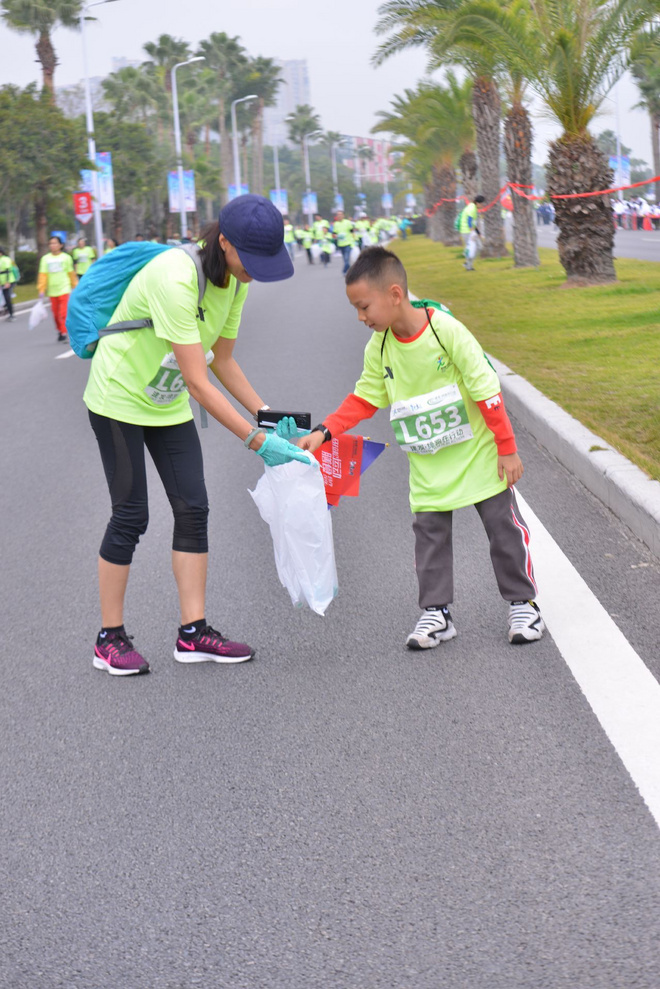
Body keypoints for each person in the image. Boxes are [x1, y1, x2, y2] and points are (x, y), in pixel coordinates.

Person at [83, 194, 311, 676]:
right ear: (224, 241)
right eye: (252, 260)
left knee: (193, 507)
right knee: (131, 515)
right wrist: (256, 441)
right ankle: (109, 638)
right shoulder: (176, 277)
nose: (255, 273)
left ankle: (193, 633)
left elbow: (222, 361)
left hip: (164, 403)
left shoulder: (235, 283)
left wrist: (268, 417)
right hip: (118, 398)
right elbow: (198, 381)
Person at [294, 246, 544, 649]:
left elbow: (486, 390)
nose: (360, 317)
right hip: (428, 465)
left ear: (395, 294)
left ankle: (523, 604)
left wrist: (507, 448)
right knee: (429, 539)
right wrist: (324, 432)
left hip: (479, 457)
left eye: (364, 307)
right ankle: (437, 614)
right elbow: (364, 398)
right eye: (356, 309)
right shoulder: (379, 348)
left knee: (503, 530)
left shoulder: (446, 331)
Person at [37, 236, 78, 342]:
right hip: (52, 290)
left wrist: (75, 286)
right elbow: (43, 275)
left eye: (55, 243)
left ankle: (64, 332)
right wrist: (41, 289)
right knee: (55, 314)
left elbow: (71, 273)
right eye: (51, 243)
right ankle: (60, 330)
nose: (53, 245)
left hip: (64, 288)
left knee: (63, 313)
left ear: (61, 245)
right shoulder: (45, 259)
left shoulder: (66, 258)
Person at [460, 195, 485, 270]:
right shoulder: (472, 209)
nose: (483, 205)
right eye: (482, 203)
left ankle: (468, 264)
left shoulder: (473, 207)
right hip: (467, 231)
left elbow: (474, 223)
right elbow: (469, 222)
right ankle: (468, 265)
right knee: (473, 249)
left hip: (470, 230)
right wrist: (473, 233)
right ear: (477, 203)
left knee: (479, 247)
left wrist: (479, 233)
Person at [332, 210, 355, 274]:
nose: (339, 216)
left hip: (348, 243)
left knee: (346, 258)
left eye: (340, 214)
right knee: (345, 259)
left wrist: (354, 239)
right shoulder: (336, 224)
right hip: (341, 244)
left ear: (343, 215)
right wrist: (335, 236)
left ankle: (344, 271)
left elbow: (352, 231)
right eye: (338, 214)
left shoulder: (347, 222)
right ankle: (349, 269)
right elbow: (334, 233)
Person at [0, 246, 17, 321]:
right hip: (2, 282)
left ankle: (11, 315)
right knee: (4, 297)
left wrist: (7, 282)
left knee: (7, 298)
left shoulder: (5, 259)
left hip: (8, 281)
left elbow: (7, 271)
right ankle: (6, 310)